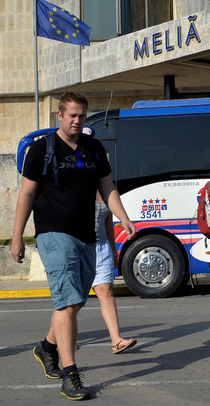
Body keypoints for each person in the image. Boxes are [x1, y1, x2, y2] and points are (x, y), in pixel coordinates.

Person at [11, 92, 136, 401]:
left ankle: (47, 347)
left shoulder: (94, 148)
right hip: (54, 232)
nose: (77, 121)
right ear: (59, 116)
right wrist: (17, 237)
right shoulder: (42, 150)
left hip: (87, 235)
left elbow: (106, 187)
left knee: (76, 301)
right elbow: (26, 194)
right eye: (72, 115)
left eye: (81, 116)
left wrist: (123, 217)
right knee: (67, 304)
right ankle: (70, 374)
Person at [92, 191, 137, 354]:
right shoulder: (79, 185)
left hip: (101, 246)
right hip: (79, 247)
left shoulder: (107, 191)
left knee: (106, 291)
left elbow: (108, 224)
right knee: (74, 299)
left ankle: (116, 340)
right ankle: (58, 339)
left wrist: (113, 252)